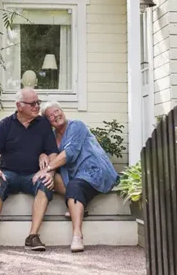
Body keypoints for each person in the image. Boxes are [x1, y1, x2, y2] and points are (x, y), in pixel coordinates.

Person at [0, 88, 58, 252]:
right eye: (32, 104)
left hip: (33, 175)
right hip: (10, 174)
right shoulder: (6, 124)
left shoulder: (43, 124)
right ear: (19, 106)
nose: (37, 106)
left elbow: (52, 152)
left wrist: (49, 171)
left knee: (46, 182)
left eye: (38, 102)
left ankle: (33, 236)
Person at [38, 101, 119, 253]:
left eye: (57, 111)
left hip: (93, 170)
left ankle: (77, 235)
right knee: (50, 178)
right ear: (48, 122)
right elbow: (50, 153)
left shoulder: (76, 125)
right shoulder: (53, 136)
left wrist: (48, 167)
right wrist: (42, 155)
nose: (56, 116)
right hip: (75, 176)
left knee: (75, 186)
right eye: (50, 115)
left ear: (62, 111)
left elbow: (70, 153)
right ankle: (80, 205)